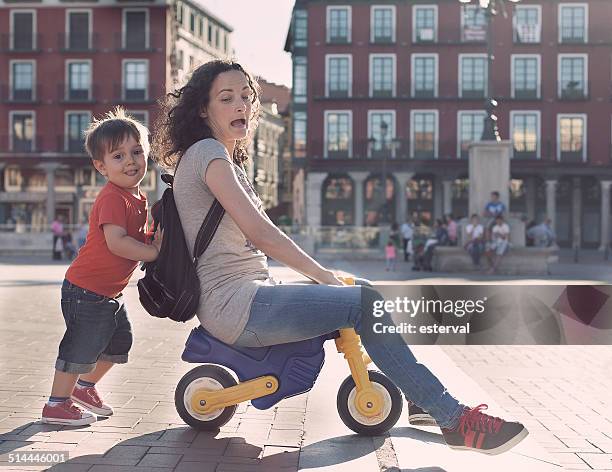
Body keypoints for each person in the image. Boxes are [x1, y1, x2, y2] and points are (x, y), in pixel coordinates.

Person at [153, 60, 527, 455]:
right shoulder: (209, 153)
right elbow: (260, 233)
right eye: (226, 99)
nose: (241, 106)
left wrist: (327, 276)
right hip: (236, 304)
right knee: (362, 303)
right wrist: (319, 273)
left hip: (250, 295)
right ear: (202, 109)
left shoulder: (226, 160)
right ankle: (457, 422)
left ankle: (423, 402)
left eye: (246, 97)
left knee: (361, 287)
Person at [41, 108, 162, 426]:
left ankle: (84, 388)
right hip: (86, 289)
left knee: (120, 341)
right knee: (81, 345)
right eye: (118, 156)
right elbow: (117, 242)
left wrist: (153, 236)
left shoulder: (137, 196)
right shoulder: (112, 198)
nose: (131, 161)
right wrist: (152, 252)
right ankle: (56, 404)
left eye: (137, 152)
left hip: (109, 292)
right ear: (101, 167)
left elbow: (134, 235)